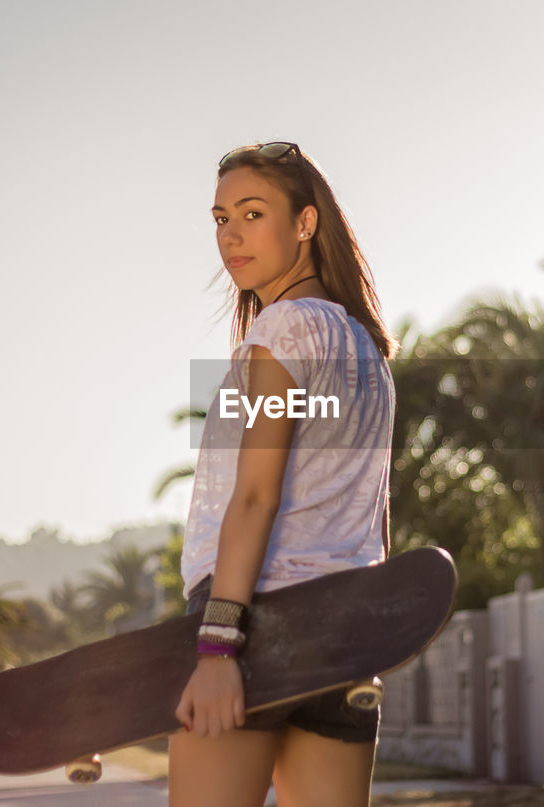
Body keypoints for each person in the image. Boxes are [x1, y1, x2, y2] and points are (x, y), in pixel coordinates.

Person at [170, 141, 397, 807]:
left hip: (257, 628)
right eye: (219, 218)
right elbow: (373, 512)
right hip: (345, 636)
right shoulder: (367, 348)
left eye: (251, 213)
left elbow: (255, 495)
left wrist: (217, 649)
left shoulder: (286, 328)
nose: (230, 236)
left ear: (305, 222)